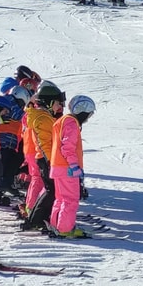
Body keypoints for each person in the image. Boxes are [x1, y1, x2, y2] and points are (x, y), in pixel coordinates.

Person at [48, 95, 97, 238]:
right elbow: (67, 147)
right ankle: (65, 229)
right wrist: (75, 166)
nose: (88, 118)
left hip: (58, 166)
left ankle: (56, 224)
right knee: (70, 200)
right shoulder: (71, 123)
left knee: (61, 198)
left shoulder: (62, 120)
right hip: (67, 169)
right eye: (89, 114)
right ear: (83, 110)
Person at [22, 82, 66, 229]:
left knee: (49, 190)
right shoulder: (43, 119)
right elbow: (45, 143)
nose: (59, 107)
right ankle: (36, 219)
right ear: (49, 102)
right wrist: (51, 161)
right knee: (50, 190)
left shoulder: (44, 116)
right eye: (57, 103)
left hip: (45, 159)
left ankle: (38, 216)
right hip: (46, 160)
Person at [0, 86, 32, 192]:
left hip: (6, 141)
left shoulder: (8, 101)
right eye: (23, 103)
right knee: (4, 164)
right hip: (4, 141)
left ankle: (0, 185)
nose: (23, 107)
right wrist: (33, 114)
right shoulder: (11, 103)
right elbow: (20, 116)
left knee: (5, 165)